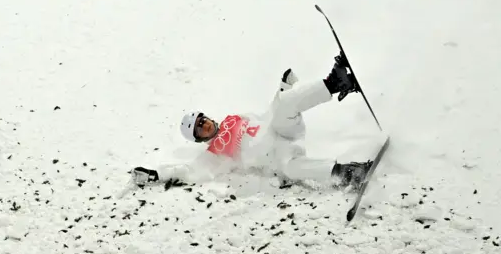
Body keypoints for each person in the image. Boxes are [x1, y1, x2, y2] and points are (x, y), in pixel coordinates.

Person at [132, 53, 373, 190]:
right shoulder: (215, 152)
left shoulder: (235, 118)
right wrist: (157, 174)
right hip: (277, 157)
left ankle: (337, 82)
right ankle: (348, 173)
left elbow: (270, 113)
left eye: (202, 119)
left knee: (283, 104)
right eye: (199, 128)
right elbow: (189, 171)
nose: (204, 125)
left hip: (280, 131)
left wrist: (283, 88)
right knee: (289, 169)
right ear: (198, 139)